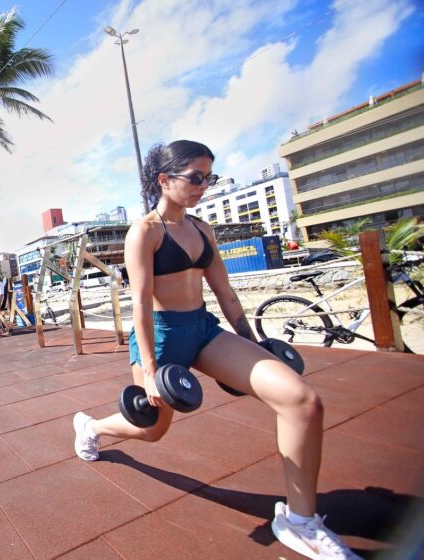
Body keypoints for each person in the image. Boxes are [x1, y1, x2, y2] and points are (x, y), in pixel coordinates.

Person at [72, 140, 359, 560]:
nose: (203, 185)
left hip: (203, 330)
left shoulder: (203, 229)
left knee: (301, 400)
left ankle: (299, 522)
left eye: (209, 177)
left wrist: (253, 343)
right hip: (163, 336)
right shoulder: (145, 232)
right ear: (164, 180)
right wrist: (150, 370)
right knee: (152, 431)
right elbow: (140, 305)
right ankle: (93, 428)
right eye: (195, 177)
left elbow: (225, 293)